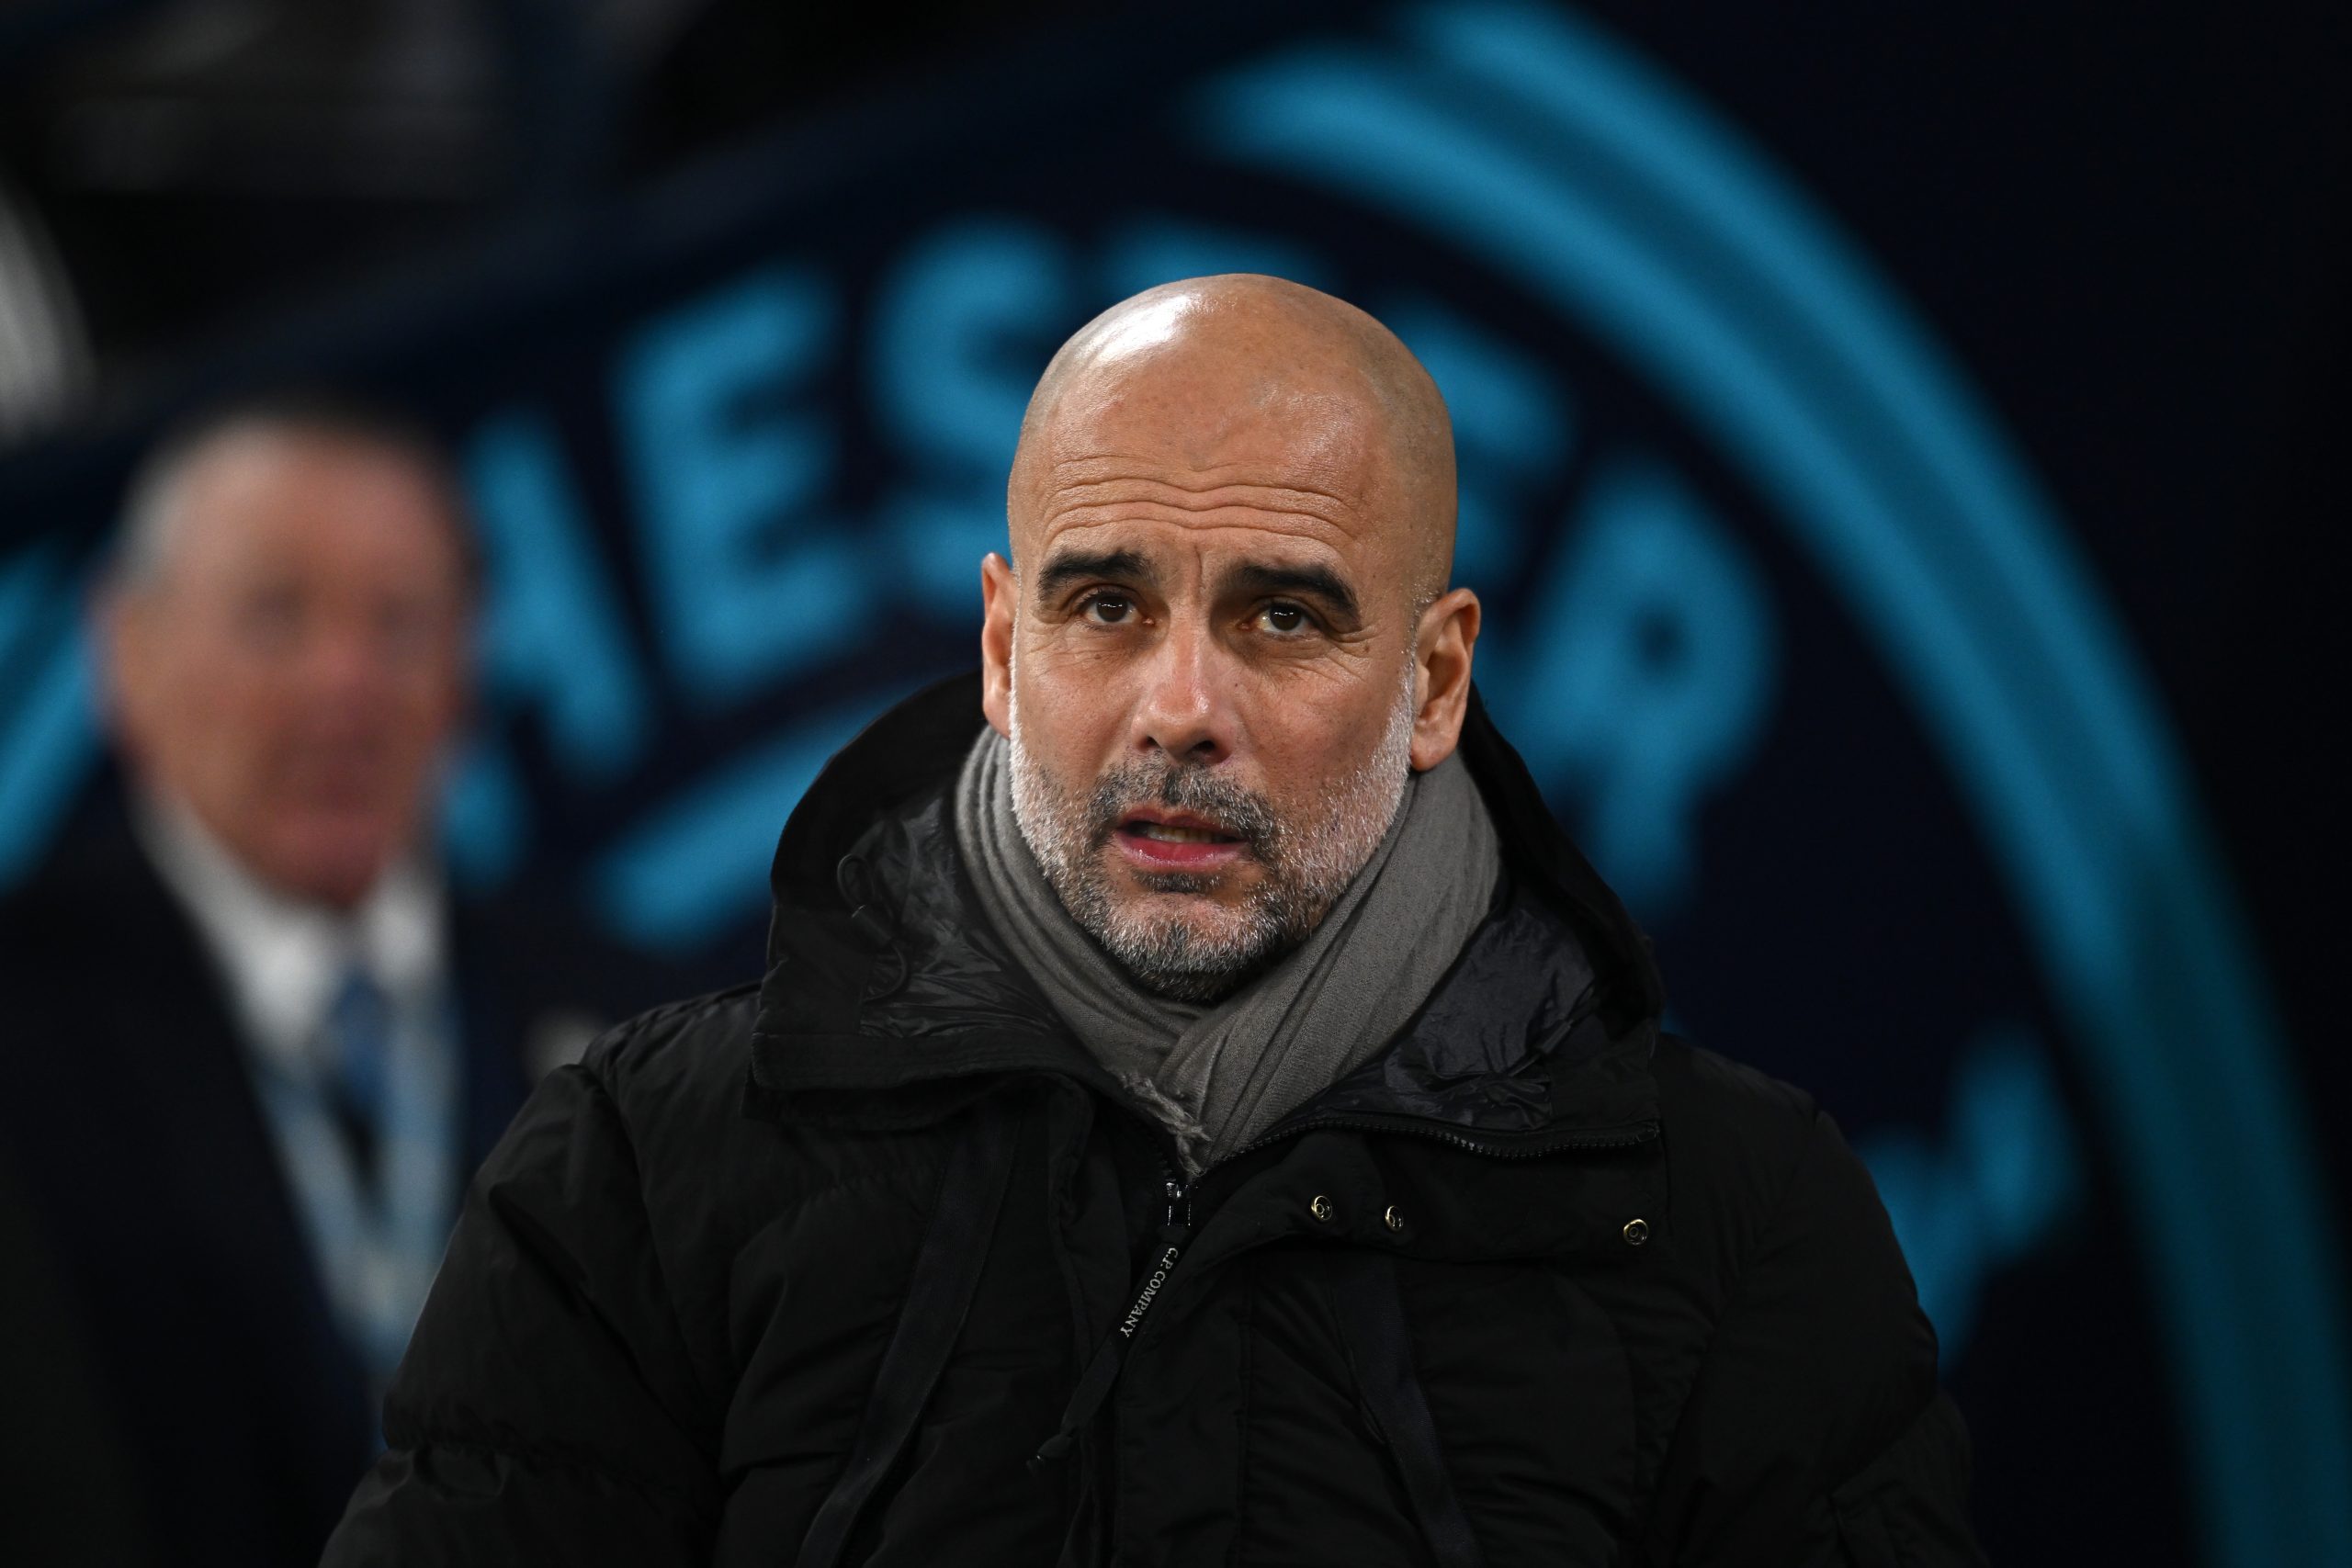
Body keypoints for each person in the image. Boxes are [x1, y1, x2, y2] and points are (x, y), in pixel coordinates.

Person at [324, 278, 1985, 1564]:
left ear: (1436, 680)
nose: (1179, 705)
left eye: (1284, 615)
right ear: (999, 647)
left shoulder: (1736, 1217)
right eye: (1107, 603)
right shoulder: (640, 1168)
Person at [0, 392, 677, 1567]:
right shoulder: (24, 1035)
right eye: (275, 616)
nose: (344, 682)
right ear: (126, 650)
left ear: (467, 667)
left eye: (402, 622)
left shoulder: (638, 1028)